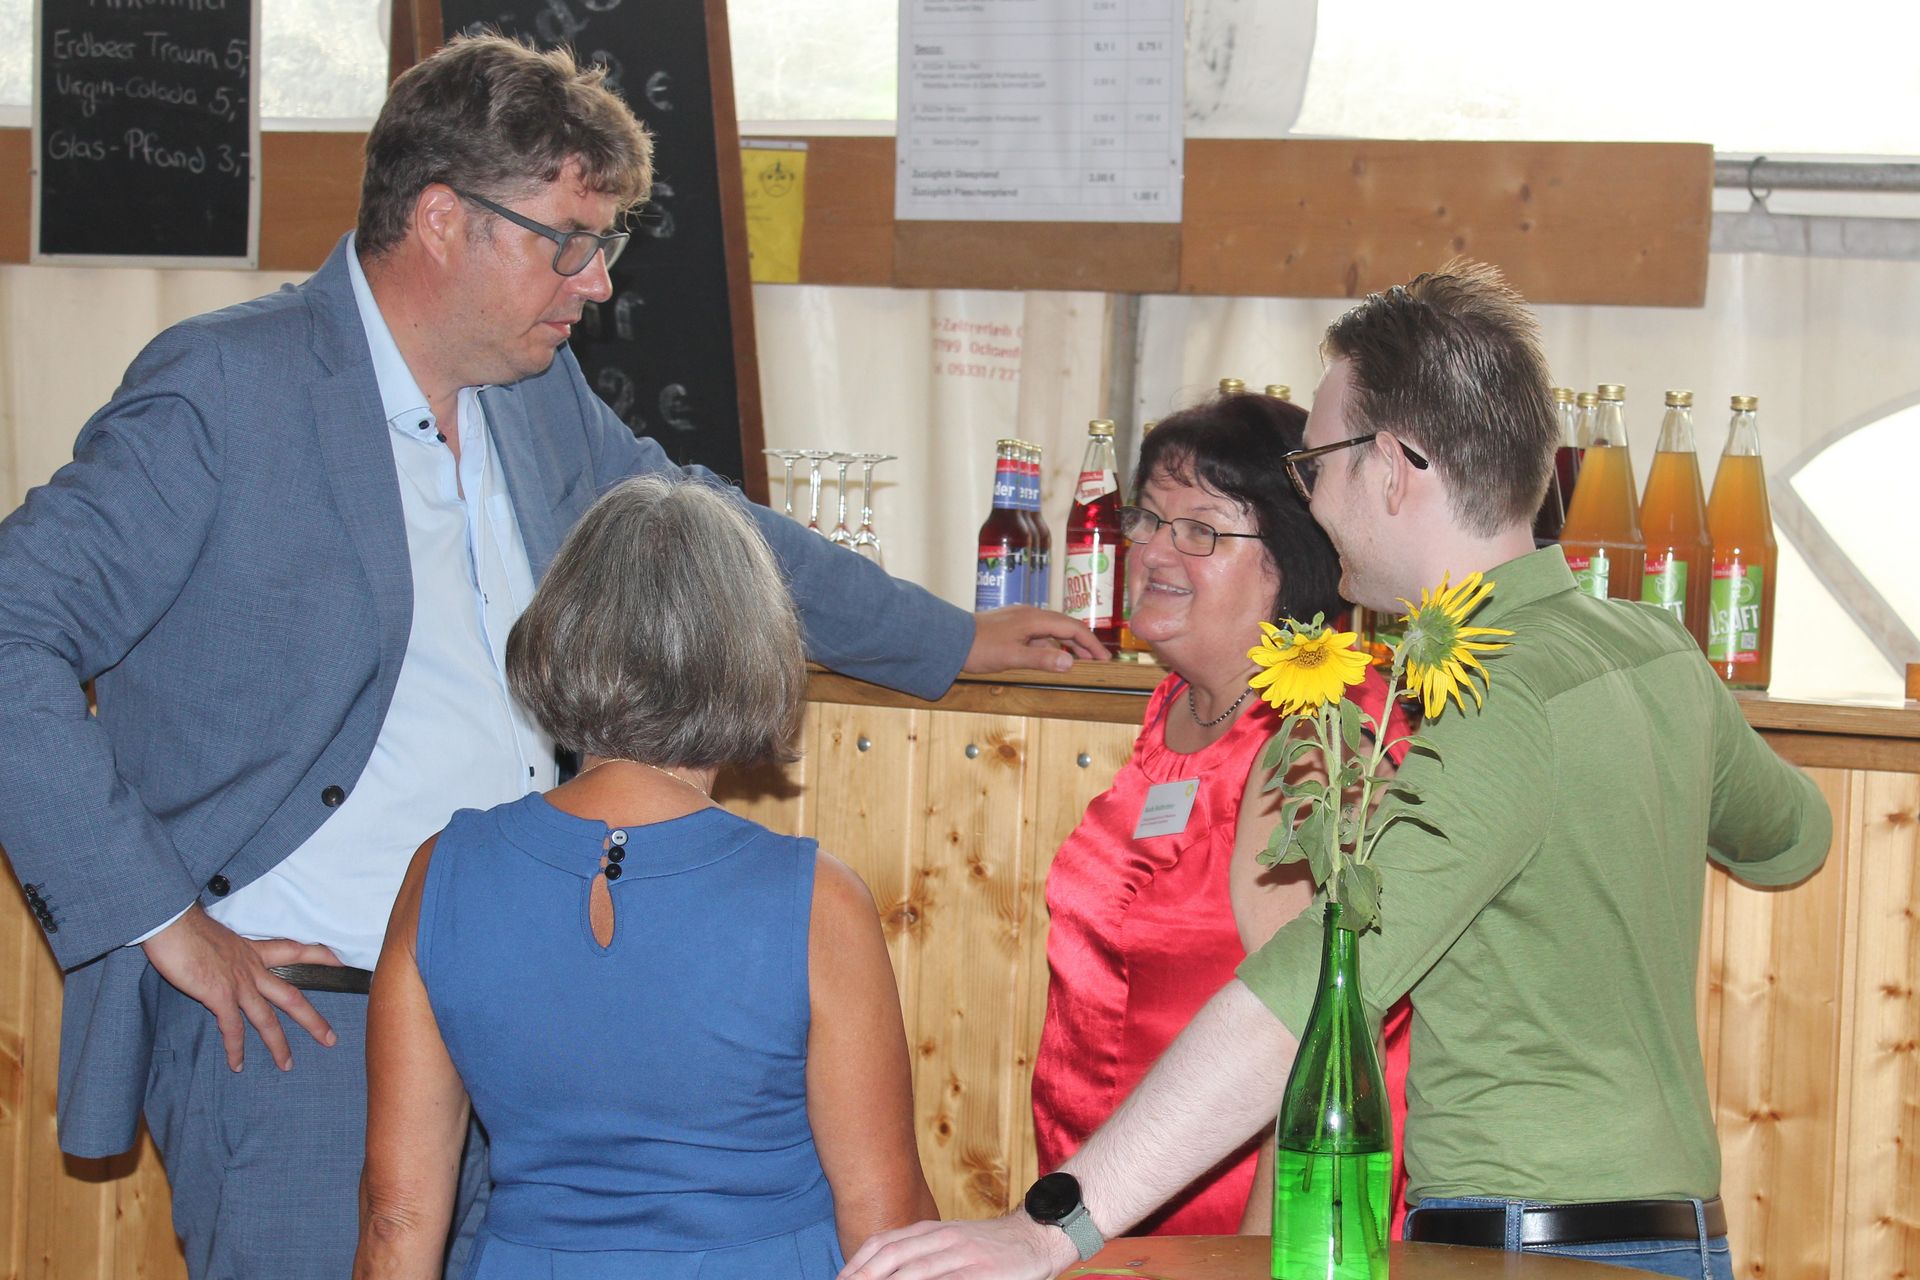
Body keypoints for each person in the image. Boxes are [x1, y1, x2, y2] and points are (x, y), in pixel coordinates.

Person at [0, 32, 1096, 1280]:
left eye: (605, 242)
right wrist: (161, 918)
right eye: (567, 240)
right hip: (303, 1029)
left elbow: (706, 525)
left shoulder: (534, 391)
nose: (598, 282)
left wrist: (947, 637)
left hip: (518, 1030)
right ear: (439, 218)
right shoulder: (225, 389)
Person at [839, 261, 1831, 1280]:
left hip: (1527, 1243)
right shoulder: (1657, 649)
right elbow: (1793, 837)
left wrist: (1049, 1228)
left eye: (1315, 464)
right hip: (1685, 1237)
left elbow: (1310, 993)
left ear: (1392, 466)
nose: (1310, 498)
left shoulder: (1486, 693)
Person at [352, 475, 937, 1279]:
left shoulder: (442, 874)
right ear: (748, 656)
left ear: (561, 635)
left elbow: (397, 1219)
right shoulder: (815, 902)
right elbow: (885, 1222)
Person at [1031, 391, 1413, 1237]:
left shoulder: (1316, 734)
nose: (1152, 550)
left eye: (1201, 530)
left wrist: (1265, 1256)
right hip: (1100, 1214)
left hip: (1233, 1239)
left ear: (1293, 559)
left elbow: (1315, 1037)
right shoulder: (1176, 705)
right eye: (1148, 518)